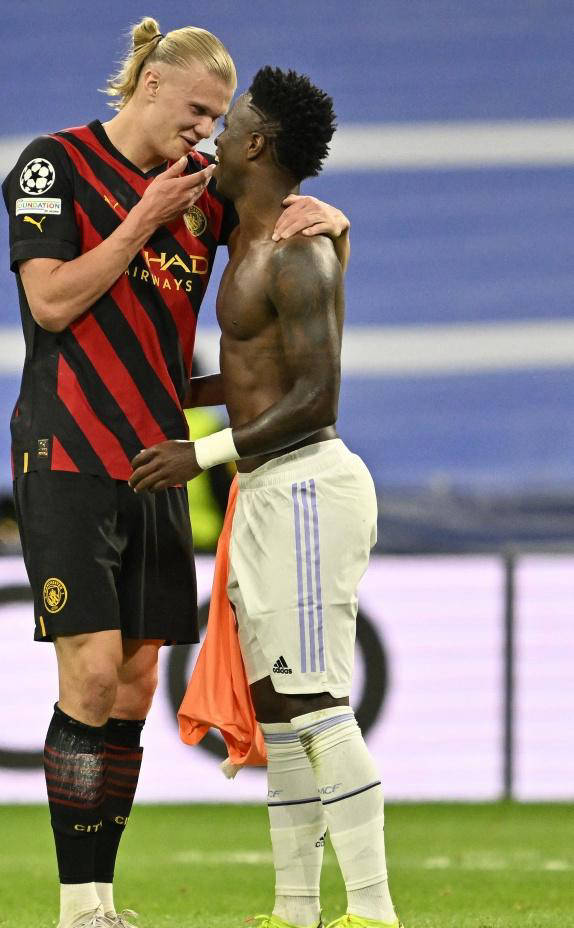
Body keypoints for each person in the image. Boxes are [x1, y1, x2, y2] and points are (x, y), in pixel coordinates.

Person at [2, 17, 350, 928]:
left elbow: (275, 244)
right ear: (149, 84)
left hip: (157, 460)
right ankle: (78, 906)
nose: (205, 132)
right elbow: (51, 302)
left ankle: (104, 898)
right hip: (68, 449)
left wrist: (333, 225)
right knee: (88, 676)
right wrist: (142, 220)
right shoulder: (56, 165)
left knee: (136, 682)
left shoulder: (201, 192)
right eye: (196, 111)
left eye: (217, 120)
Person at [130, 68, 402, 928]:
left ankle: (373, 910)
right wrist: (178, 392)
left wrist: (200, 451)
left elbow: (318, 397)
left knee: (317, 704)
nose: (215, 131)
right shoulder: (252, 241)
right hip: (266, 488)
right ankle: (294, 911)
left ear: (256, 143)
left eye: (231, 119)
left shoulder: (298, 251)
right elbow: (258, 374)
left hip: (308, 486)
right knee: (280, 713)